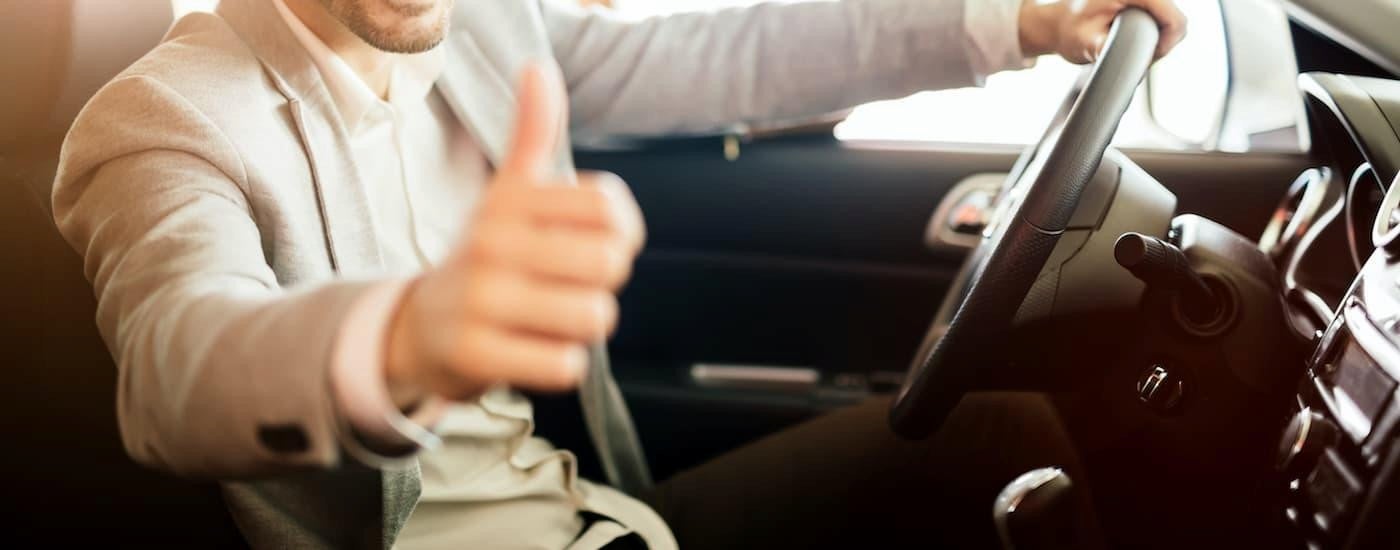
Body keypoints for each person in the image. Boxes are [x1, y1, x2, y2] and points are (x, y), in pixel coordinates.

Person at [52, 0, 1184, 547]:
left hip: (599, 511)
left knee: (1007, 440)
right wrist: (397, 340)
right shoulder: (162, 122)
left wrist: (1010, 22)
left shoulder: (482, 21)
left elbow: (714, 56)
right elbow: (175, 368)